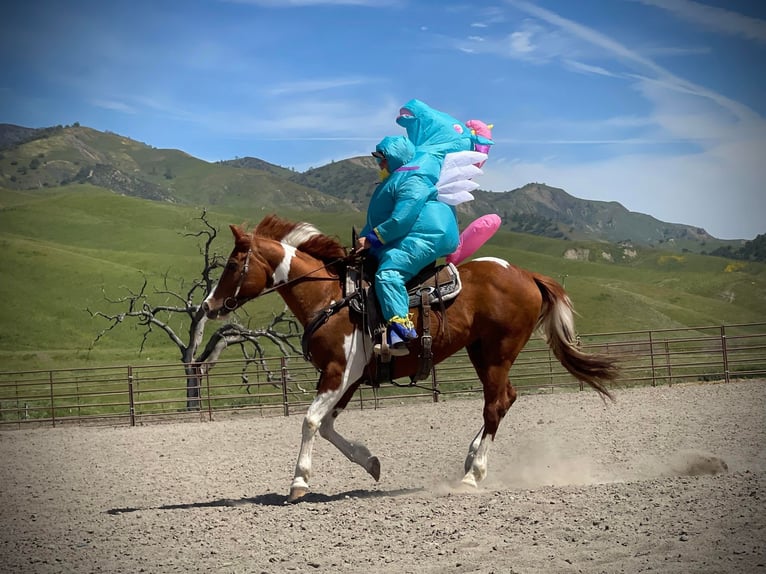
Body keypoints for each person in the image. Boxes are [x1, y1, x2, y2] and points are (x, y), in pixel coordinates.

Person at [357, 134, 459, 355]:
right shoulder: (396, 179)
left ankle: (402, 332)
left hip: (427, 236)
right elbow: (379, 219)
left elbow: (401, 219)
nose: (380, 164)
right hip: (414, 233)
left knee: (388, 274)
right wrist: (363, 239)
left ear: (396, 158)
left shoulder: (413, 180)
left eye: (382, 159)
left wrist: (373, 239)